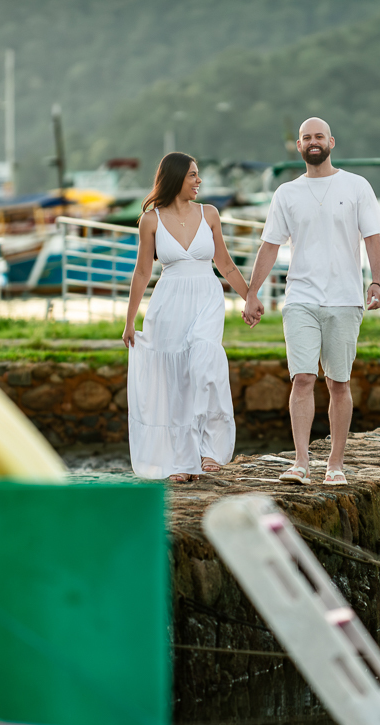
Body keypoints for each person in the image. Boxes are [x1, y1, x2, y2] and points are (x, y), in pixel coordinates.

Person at [243, 118, 380, 485]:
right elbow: (270, 246)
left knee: (339, 383)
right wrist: (252, 293)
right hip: (301, 298)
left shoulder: (356, 186)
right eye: (306, 137)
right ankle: (301, 463)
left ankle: (335, 464)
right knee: (303, 378)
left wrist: (376, 282)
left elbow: (372, 238)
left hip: (345, 299)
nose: (313, 142)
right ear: (298, 146)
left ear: (331, 142)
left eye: (318, 136)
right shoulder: (286, 194)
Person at [123, 152, 251, 482]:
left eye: (198, 175)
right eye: (193, 175)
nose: (199, 181)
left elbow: (225, 264)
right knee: (175, 382)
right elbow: (141, 273)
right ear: (176, 177)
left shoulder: (209, 214)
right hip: (168, 303)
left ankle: (211, 449)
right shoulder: (151, 220)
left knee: (204, 362)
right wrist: (129, 320)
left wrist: (250, 297)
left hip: (207, 297)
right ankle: (180, 461)